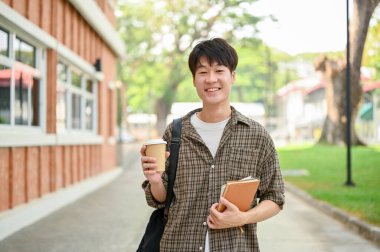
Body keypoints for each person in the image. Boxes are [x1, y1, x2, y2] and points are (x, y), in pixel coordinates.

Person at [140, 38, 285, 251]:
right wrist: (154, 180)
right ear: (194, 79)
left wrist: (243, 217)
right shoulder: (176, 133)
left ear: (232, 76)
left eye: (219, 71)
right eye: (203, 72)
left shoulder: (256, 135)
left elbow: (275, 197)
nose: (211, 79)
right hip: (179, 245)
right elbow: (161, 199)